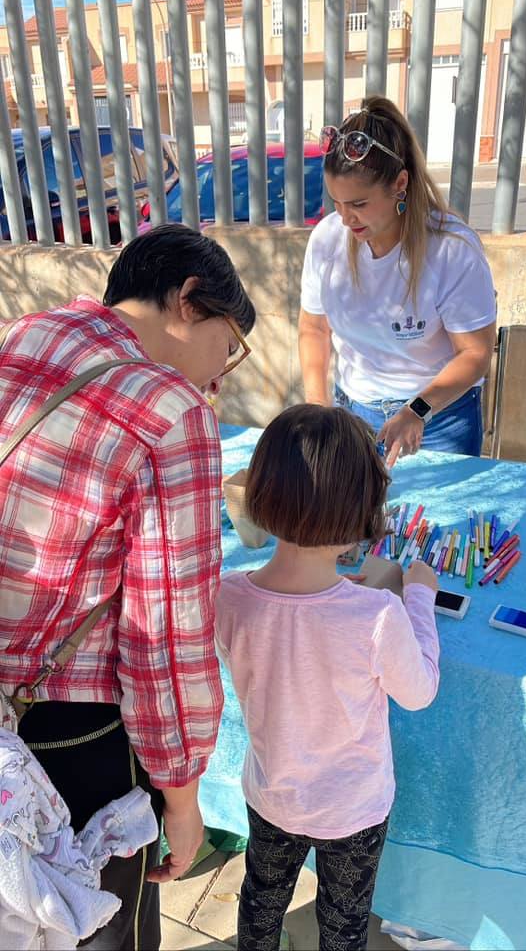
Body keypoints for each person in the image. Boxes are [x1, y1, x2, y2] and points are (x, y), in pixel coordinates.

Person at [0, 223, 255, 950]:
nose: (220, 375)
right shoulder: (172, 410)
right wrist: (183, 797)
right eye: (229, 345)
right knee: (92, 926)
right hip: (63, 724)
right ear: (189, 300)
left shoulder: (29, 333)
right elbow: (165, 637)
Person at [215, 404, 440, 951]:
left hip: (271, 794)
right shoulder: (378, 614)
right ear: (363, 508)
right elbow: (420, 692)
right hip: (353, 809)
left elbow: (285, 636)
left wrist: (338, 594)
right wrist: (419, 598)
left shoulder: (227, 595)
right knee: (344, 925)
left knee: (261, 901)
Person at [299, 95, 497, 467]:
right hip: (353, 411)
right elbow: (313, 327)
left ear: (399, 184)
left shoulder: (452, 250)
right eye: (337, 203)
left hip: (438, 418)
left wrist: (417, 410)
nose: (345, 219)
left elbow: (475, 353)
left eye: (358, 204)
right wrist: (317, 406)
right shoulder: (327, 240)